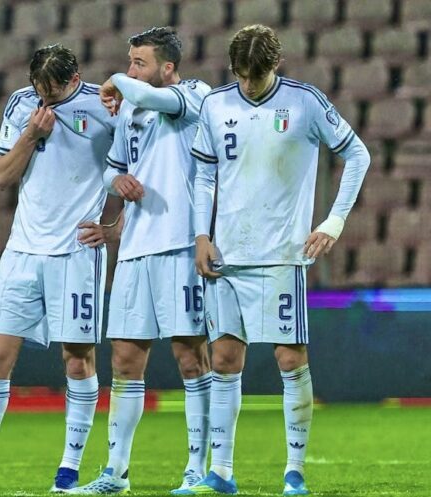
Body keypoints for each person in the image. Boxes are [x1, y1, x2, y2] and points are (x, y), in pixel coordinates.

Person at [182, 24, 371, 496]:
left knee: (290, 358)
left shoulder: (305, 102)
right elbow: (203, 174)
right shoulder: (215, 105)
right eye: (242, 75)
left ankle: (294, 471)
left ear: (276, 65)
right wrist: (201, 235)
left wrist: (334, 222)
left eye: (258, 75)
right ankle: (221, 472)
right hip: (227, 254)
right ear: (232, 69)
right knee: (224, 359)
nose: (249, 84)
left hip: (282, 255)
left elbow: (358, 154)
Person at [0, 44, 115, 494]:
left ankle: (69, 471)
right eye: (39, 88)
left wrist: (115, 227)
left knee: (77, 359)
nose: (45, 98)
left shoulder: (105, 106)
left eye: (53, 90)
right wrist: (30, 136)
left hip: (76, 252)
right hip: (22, 251)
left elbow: (143, 171)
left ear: (74, 80)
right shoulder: (22, 104)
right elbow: (1, 175)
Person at [69, 27, 212, 495]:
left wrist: (116, 80)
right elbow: (113, 167)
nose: (131, 70)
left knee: (190, 356)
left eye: (139, 63)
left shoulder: (194, 96)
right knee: (126, 360)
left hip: (180, 245)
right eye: (129, 61)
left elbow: (143, 94)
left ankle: (198, 467)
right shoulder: (130, 108)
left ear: (168, 68)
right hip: (133, 249)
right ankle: (116, 472)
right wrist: (117, 183)